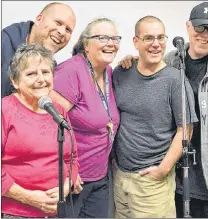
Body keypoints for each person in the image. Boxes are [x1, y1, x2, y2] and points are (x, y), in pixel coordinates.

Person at [118, 2, 208, 218]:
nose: (204, 35)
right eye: (199, 28)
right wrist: (131, 60)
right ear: (188, 27)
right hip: (184, 178)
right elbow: (150, 63)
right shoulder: (172, 60)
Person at [112, 15, 198, 218]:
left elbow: (185, 129)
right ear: (136, 42)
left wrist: (163, 169)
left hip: (152, 184)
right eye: (149, 38)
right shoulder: (121, 73)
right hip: (120, 177)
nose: (156, 44)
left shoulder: (175, 80)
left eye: (161, 38)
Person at [49, 18, 121, 218]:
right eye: (103, 38)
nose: (111, 43)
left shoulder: (107, 71)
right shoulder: (70, 72)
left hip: (100, 176)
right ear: (86, 44)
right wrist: (67, 171)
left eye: (115, 38)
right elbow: (48, 126)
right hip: (72, 181)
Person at [1, 44, 78, 218]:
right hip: (15, 212)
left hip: (57, 211)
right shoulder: (4, 110)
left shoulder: (58, 110)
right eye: (31, 74)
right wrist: (28, 197)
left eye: (45, 72)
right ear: (14, 81)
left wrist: (67, 185)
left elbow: (72, 158)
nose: (41, 79)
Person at [1, 2, 76, 98]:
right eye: (58, 23)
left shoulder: (53, 71)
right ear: (39, 19)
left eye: (68, 30)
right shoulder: (3, 43)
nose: (62, 32)